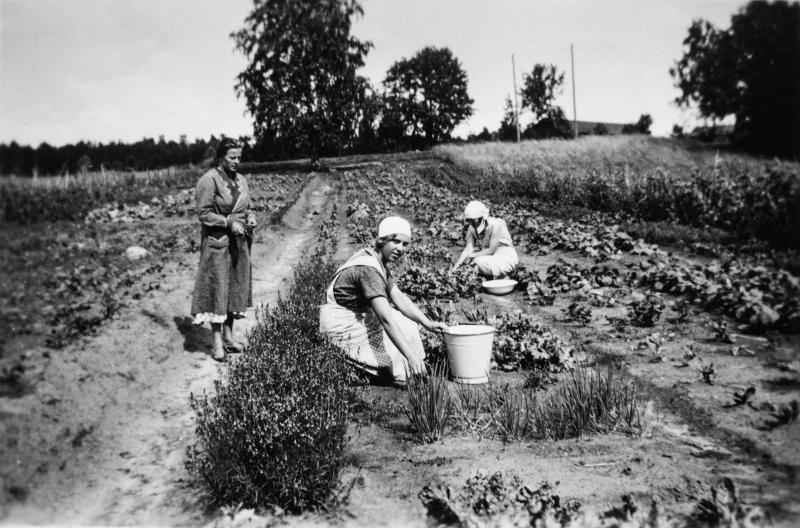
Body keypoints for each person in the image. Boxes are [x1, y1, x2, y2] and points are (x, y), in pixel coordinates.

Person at [319, 216, 448, 384]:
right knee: (396, 351)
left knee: (407, 324)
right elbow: (386, 319)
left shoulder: (376, 259)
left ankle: (406, 367)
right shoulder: (369, 269)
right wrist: (409, 355)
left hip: (356, 314)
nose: (401, 248)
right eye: (395, 241)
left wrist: (427, 323)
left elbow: (398, 296)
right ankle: (373, 371)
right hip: (340, 323)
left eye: (405, 244)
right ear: (382, 241)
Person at [190, 138, 256, 362]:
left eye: (239, 157)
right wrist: (228, 222)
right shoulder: (209, 180)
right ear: (221, 158)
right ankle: (216, 344)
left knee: (235, 289)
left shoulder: (241, 180)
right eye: (232, 157)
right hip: (218, 244)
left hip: (239, 244)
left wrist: (251, 217)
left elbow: (247, 207)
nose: (237, 161)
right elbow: (204, 213)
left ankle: (229, 338)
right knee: (218, 291)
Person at [450, 200, 518, 279]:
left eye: (473, 220)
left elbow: (492, 250)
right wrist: (456, 267)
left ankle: (503, 275)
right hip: (487, 256)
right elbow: (469, 248)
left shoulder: (496, 224)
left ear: (481, 217)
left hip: (504, 256)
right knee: (456, 258)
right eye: (469, 220)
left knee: (478, 262)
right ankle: (492, 275)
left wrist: (471, 256)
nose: (471, 222)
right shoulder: (471, 228)